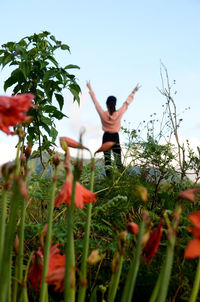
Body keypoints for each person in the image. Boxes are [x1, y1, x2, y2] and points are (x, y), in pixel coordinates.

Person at [87, 81, 139, 176]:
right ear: (115, 104)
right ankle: (122, 179)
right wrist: (133, 92)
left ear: (106, 104)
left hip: (106, 137)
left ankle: (109, 179)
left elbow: (96, 103)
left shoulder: (103, 114)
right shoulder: (119, 113)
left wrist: (90, 89)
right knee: (118, 160)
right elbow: (126, 103)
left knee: (107, 162)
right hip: (115, 137)